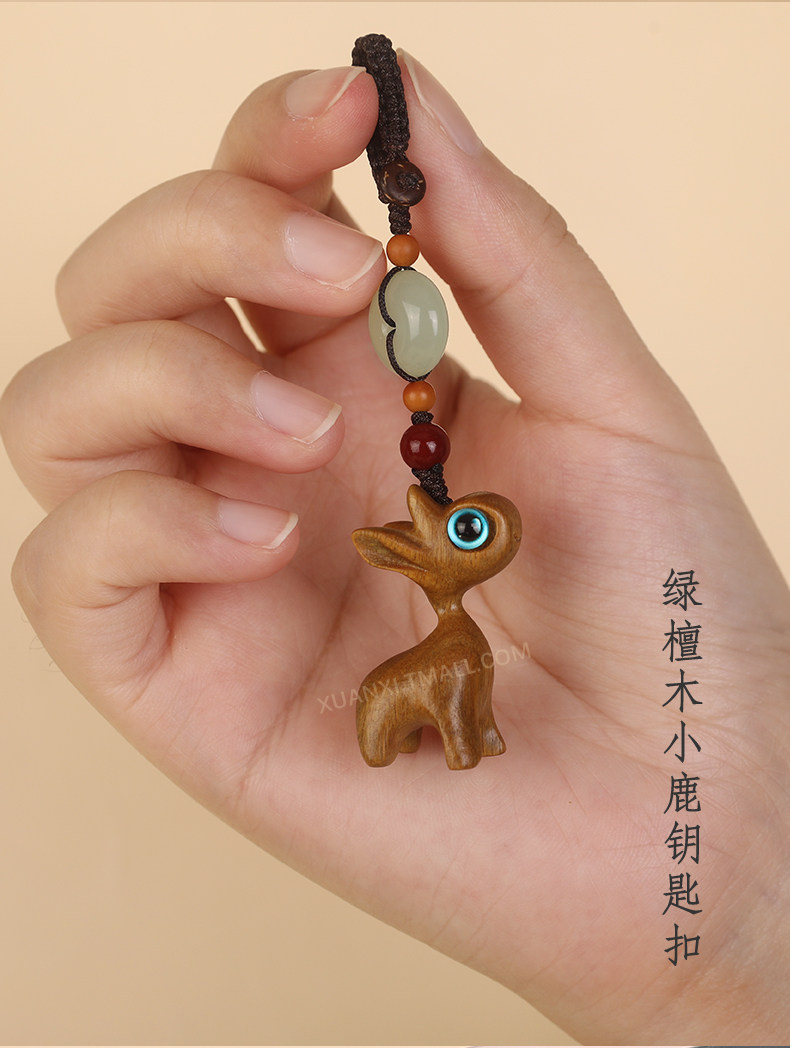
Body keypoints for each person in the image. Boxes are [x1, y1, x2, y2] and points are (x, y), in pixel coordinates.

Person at [1, 53, 788, 1045]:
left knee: (461, 688)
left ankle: (467, 735)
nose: (480, 531)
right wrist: (722, 962)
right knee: (428, 694)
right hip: (392, 717)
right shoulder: (437, 602)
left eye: (468, 531)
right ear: (425, 559)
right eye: (466, 533)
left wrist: (750, 913)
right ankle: (436, 733)